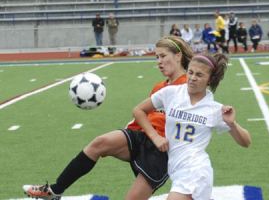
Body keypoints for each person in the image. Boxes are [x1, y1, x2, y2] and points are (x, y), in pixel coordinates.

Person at [23, 36, 194, 200]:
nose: (159, 61)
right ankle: (55, 191)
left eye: (163, 56)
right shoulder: (160, 87)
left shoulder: (189, 87)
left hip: (162, 152)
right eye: (157, 57)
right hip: (143, 137)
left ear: (178, 56)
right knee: (99, 143)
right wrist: (138, 131)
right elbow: (142, 113)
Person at [133, 53, 251, 200]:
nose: (193, 77)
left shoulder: (214, 109)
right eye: (190, 72)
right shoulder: (171, 93)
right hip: (176, 170)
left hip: (196, 171)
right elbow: (139, 110)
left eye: (199, 75)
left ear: (210, 80)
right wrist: (155, 136)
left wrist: (232, 124)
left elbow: (246, 142)